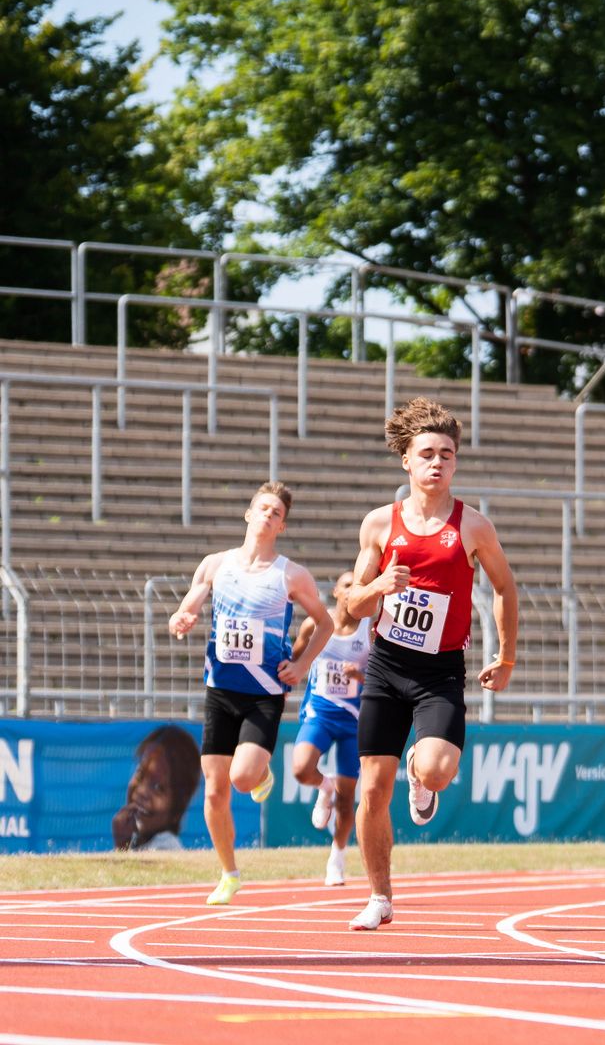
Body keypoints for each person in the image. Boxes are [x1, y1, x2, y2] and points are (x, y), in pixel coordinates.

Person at [341, 398, 518, 932]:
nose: (437, 463)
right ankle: (379, 897)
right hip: (386, 666)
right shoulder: (379, 525)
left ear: (455, 462)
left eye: (447, 454)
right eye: (426, 454)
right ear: (407, 462)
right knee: (372, 788)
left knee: (438, 770)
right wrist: (376, 585)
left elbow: (505, 587)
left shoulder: (473, 527)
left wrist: (506, 655)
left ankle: (420, 771)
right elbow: (351, 610)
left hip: (440, 670)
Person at [166, 482, 335, 903]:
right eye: (262, 508)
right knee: (214, 790)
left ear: (282, 525)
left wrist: (302, 664)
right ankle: (229, 873)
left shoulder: (291, 575)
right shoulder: (215, 565)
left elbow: (326, 623)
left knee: (242, 778)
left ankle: (260, 773)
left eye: (276, 513)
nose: (267, 516)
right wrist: (179, 621)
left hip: (263, 692)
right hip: (220, 689)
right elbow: (187, 607)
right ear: (248, 513)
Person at [287, 571, 371, 886]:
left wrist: (360, 675)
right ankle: (325, 788)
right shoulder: (316, 624)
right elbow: (294, 658)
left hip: (353, 719)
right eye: (348, 586)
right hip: (320, 712)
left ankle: (337, 858)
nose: (352, 592)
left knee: (349, 797)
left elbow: (382, 676)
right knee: (300, 768)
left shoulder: (369, 630)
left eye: (358, 587)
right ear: (336, 591)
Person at [112, 725, 201, 852]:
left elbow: (127, 871)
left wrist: (121, 847)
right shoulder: (138, 841)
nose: (142, 791)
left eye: (158, 788)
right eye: (140, 775)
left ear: (177, 808)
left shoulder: (165, 848)